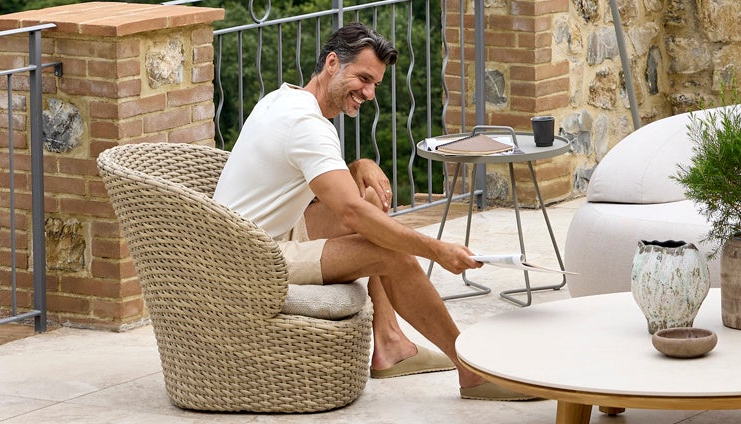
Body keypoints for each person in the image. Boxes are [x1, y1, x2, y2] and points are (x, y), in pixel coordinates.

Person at [213, 21, 524, 400]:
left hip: (246, 236)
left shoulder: (281, 99)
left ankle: (390, 343)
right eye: (363, 78)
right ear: (332, 63)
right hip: (251, 260)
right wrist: (437, 250)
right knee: (391, 254)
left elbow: (330, 189)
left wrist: (359, 166)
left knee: (370, 199)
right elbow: (351, 214)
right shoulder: (306, 125)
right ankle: (472, 372)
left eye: (375, 83)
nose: (370, 93)